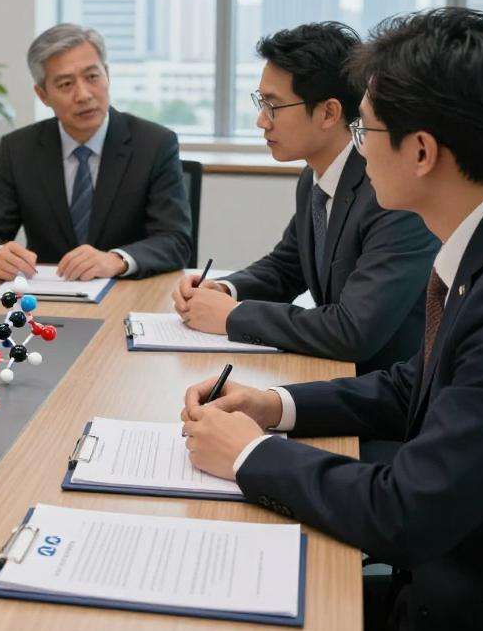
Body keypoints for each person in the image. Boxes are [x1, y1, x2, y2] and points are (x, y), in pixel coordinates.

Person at [180, 8, 483, 631]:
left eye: (366, 129)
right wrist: (274, 407)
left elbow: (408, 511)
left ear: (424, 151)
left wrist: (250, 456)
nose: (359, 148)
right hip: (434, 588)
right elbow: (417, 384)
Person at [174, 22, 437, 376]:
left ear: (329, 113)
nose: (260, 121)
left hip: (384, 396)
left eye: (273, 106)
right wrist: (224, 288)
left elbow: (352, 331)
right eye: (261, 103)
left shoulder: (389, 193)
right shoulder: (317, 175)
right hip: (334, 375)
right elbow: (286, 268)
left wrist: (232, 316)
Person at [0, 23, 191, 281]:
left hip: (128, 294)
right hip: (46, 300)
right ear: (43, 94)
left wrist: (115, 260)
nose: (83, 95)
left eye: (92, 77)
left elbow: (175, 241)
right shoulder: (20, 149)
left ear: (107, 75)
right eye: (65, 84)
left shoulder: (154, 144)